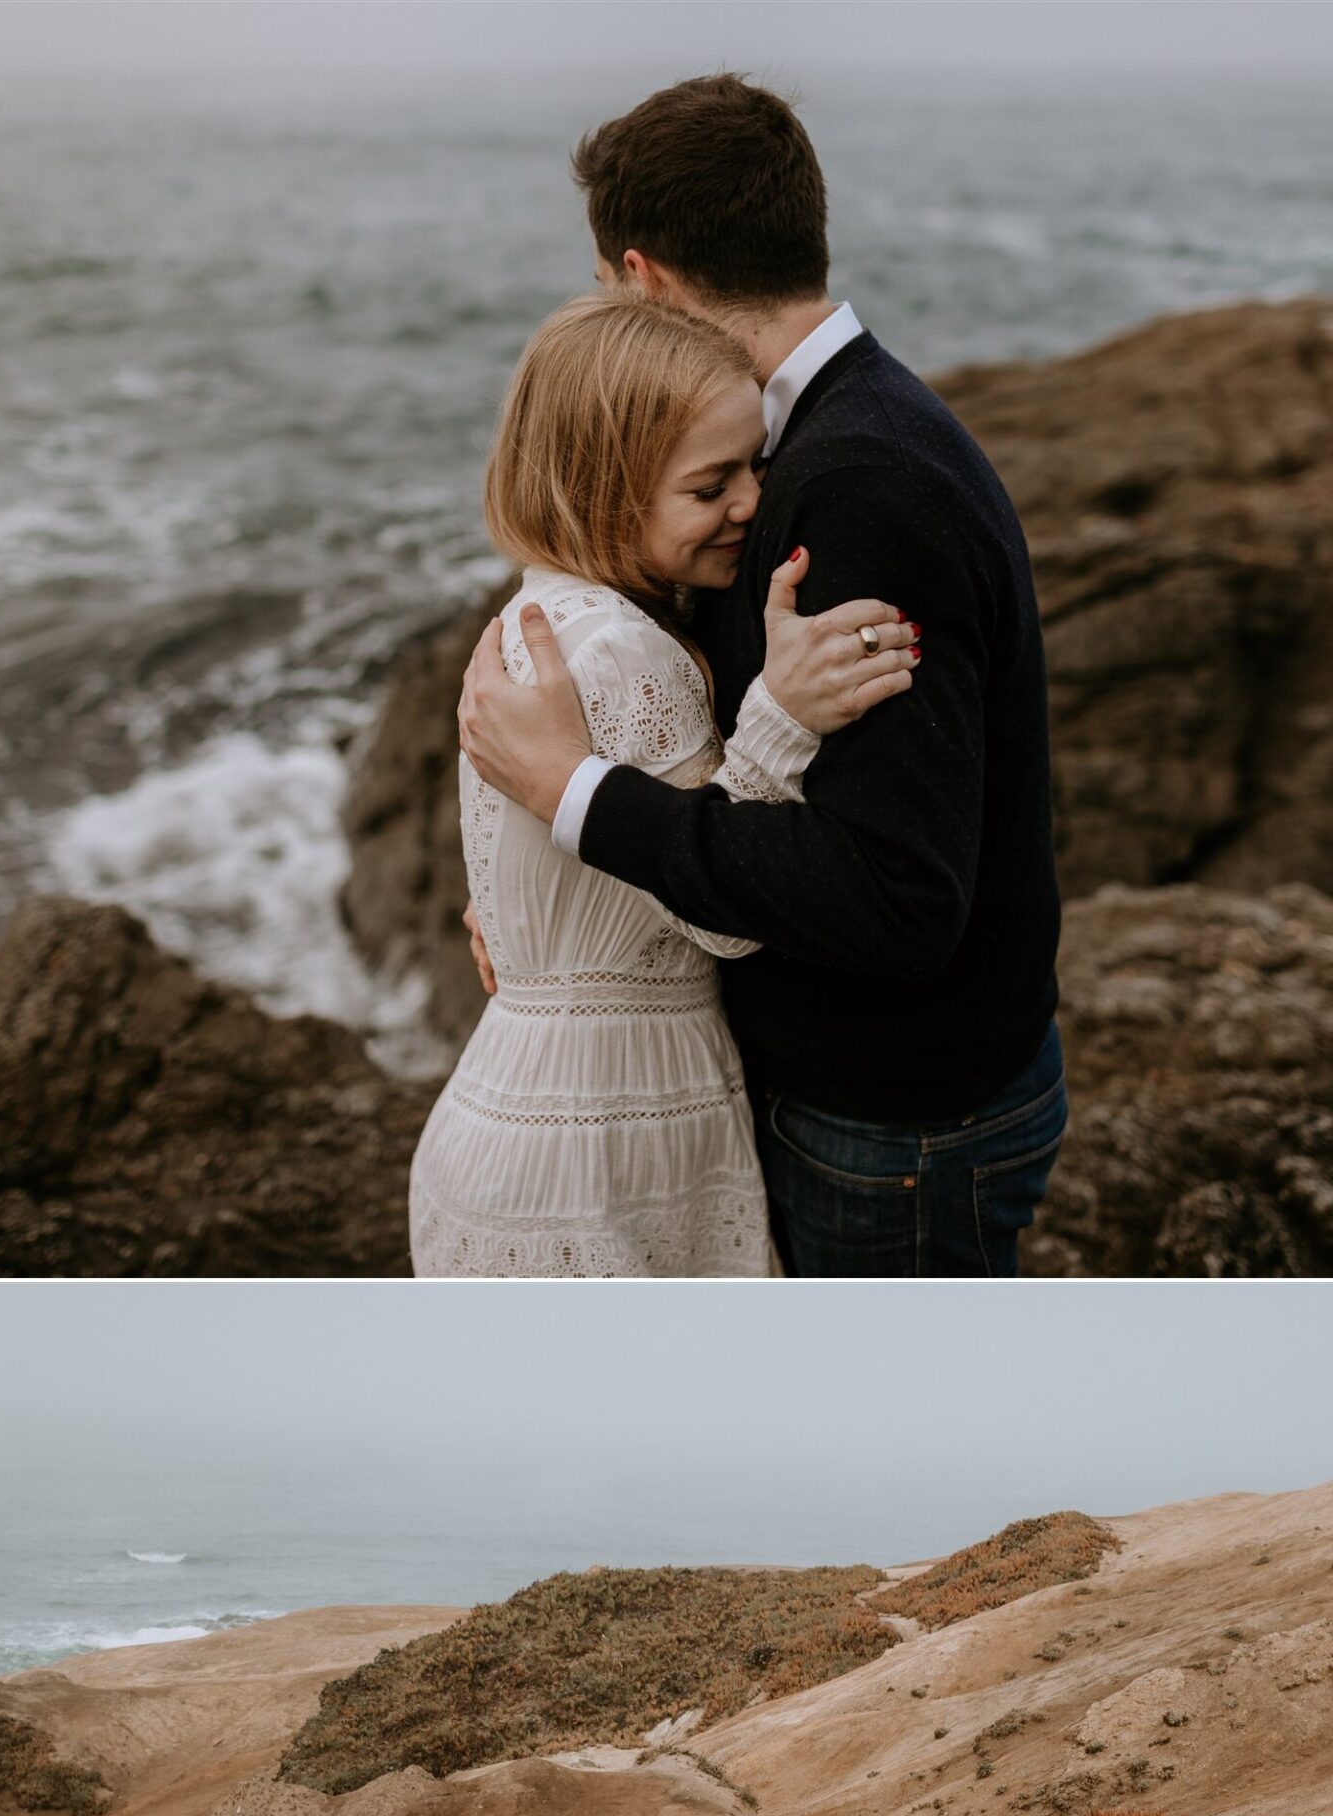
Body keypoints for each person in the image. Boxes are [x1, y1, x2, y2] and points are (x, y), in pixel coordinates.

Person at [458, 74, 1066, 1277]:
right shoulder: (832, 436)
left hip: (891, 1118)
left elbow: (893, 895)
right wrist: (545, 904)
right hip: (895, 1098)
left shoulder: (851, 485)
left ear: (644, 279)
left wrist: (573, 801)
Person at [408, 296, 916, 1276]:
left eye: (755, 465)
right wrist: (783, 712)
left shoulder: (536, 615)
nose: (753, 502)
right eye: (708, 484)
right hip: (607, 1142)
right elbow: (723, 918)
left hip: (507, 1110)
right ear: (603, 493)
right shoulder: (630, 654)